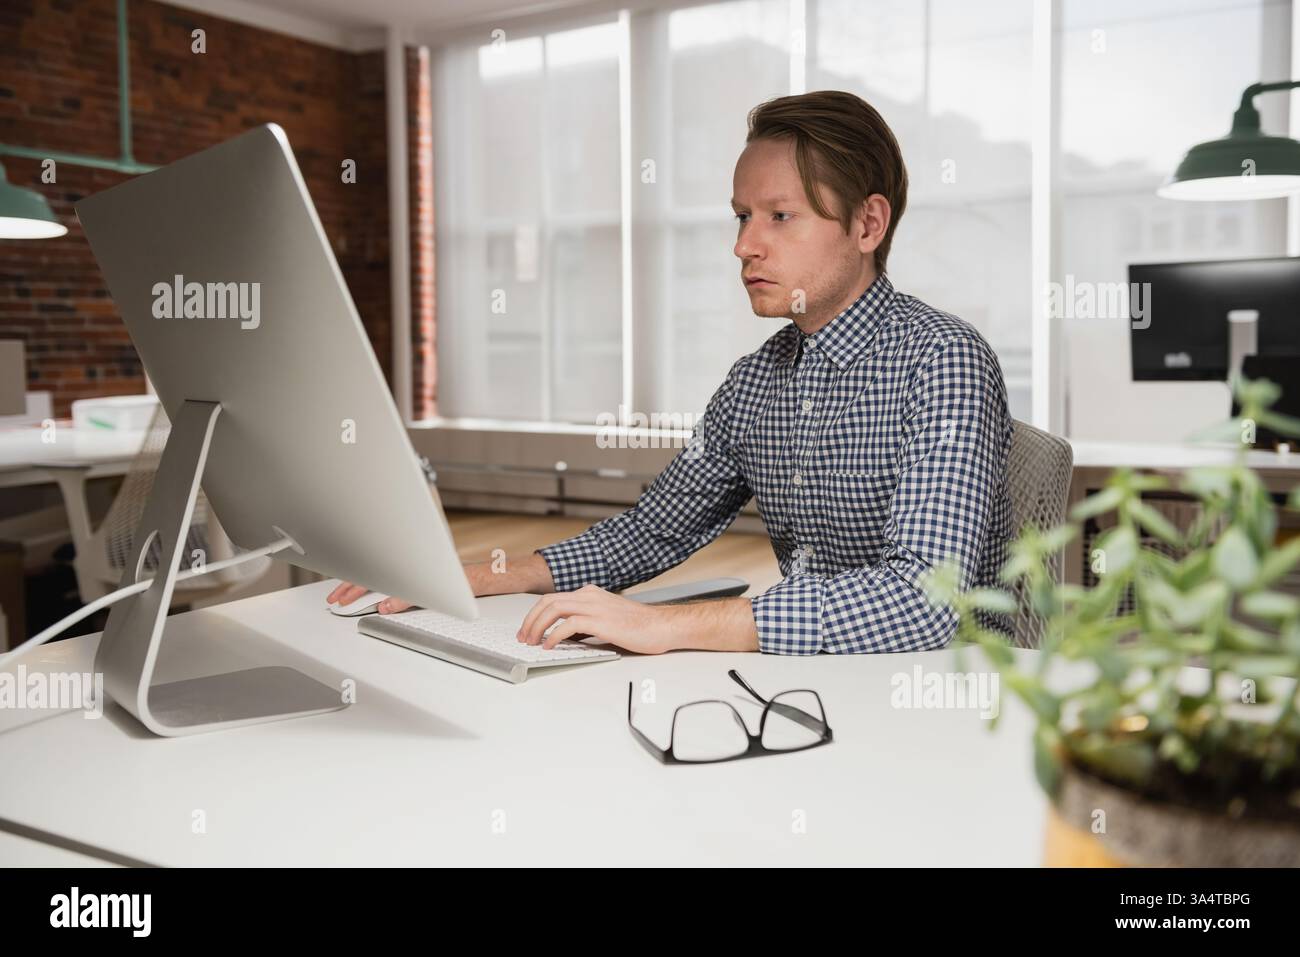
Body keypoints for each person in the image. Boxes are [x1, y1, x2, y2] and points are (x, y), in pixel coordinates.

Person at [328, 90, 1013, 657]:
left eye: (780, 216)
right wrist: (473, 576)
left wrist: (666, 625)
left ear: (868, 224)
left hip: (951, 700)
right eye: (743, 216)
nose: (744, 244)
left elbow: (928, 602)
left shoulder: (943, 359)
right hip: (822, 682)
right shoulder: (755, 381)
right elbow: (655, 529)